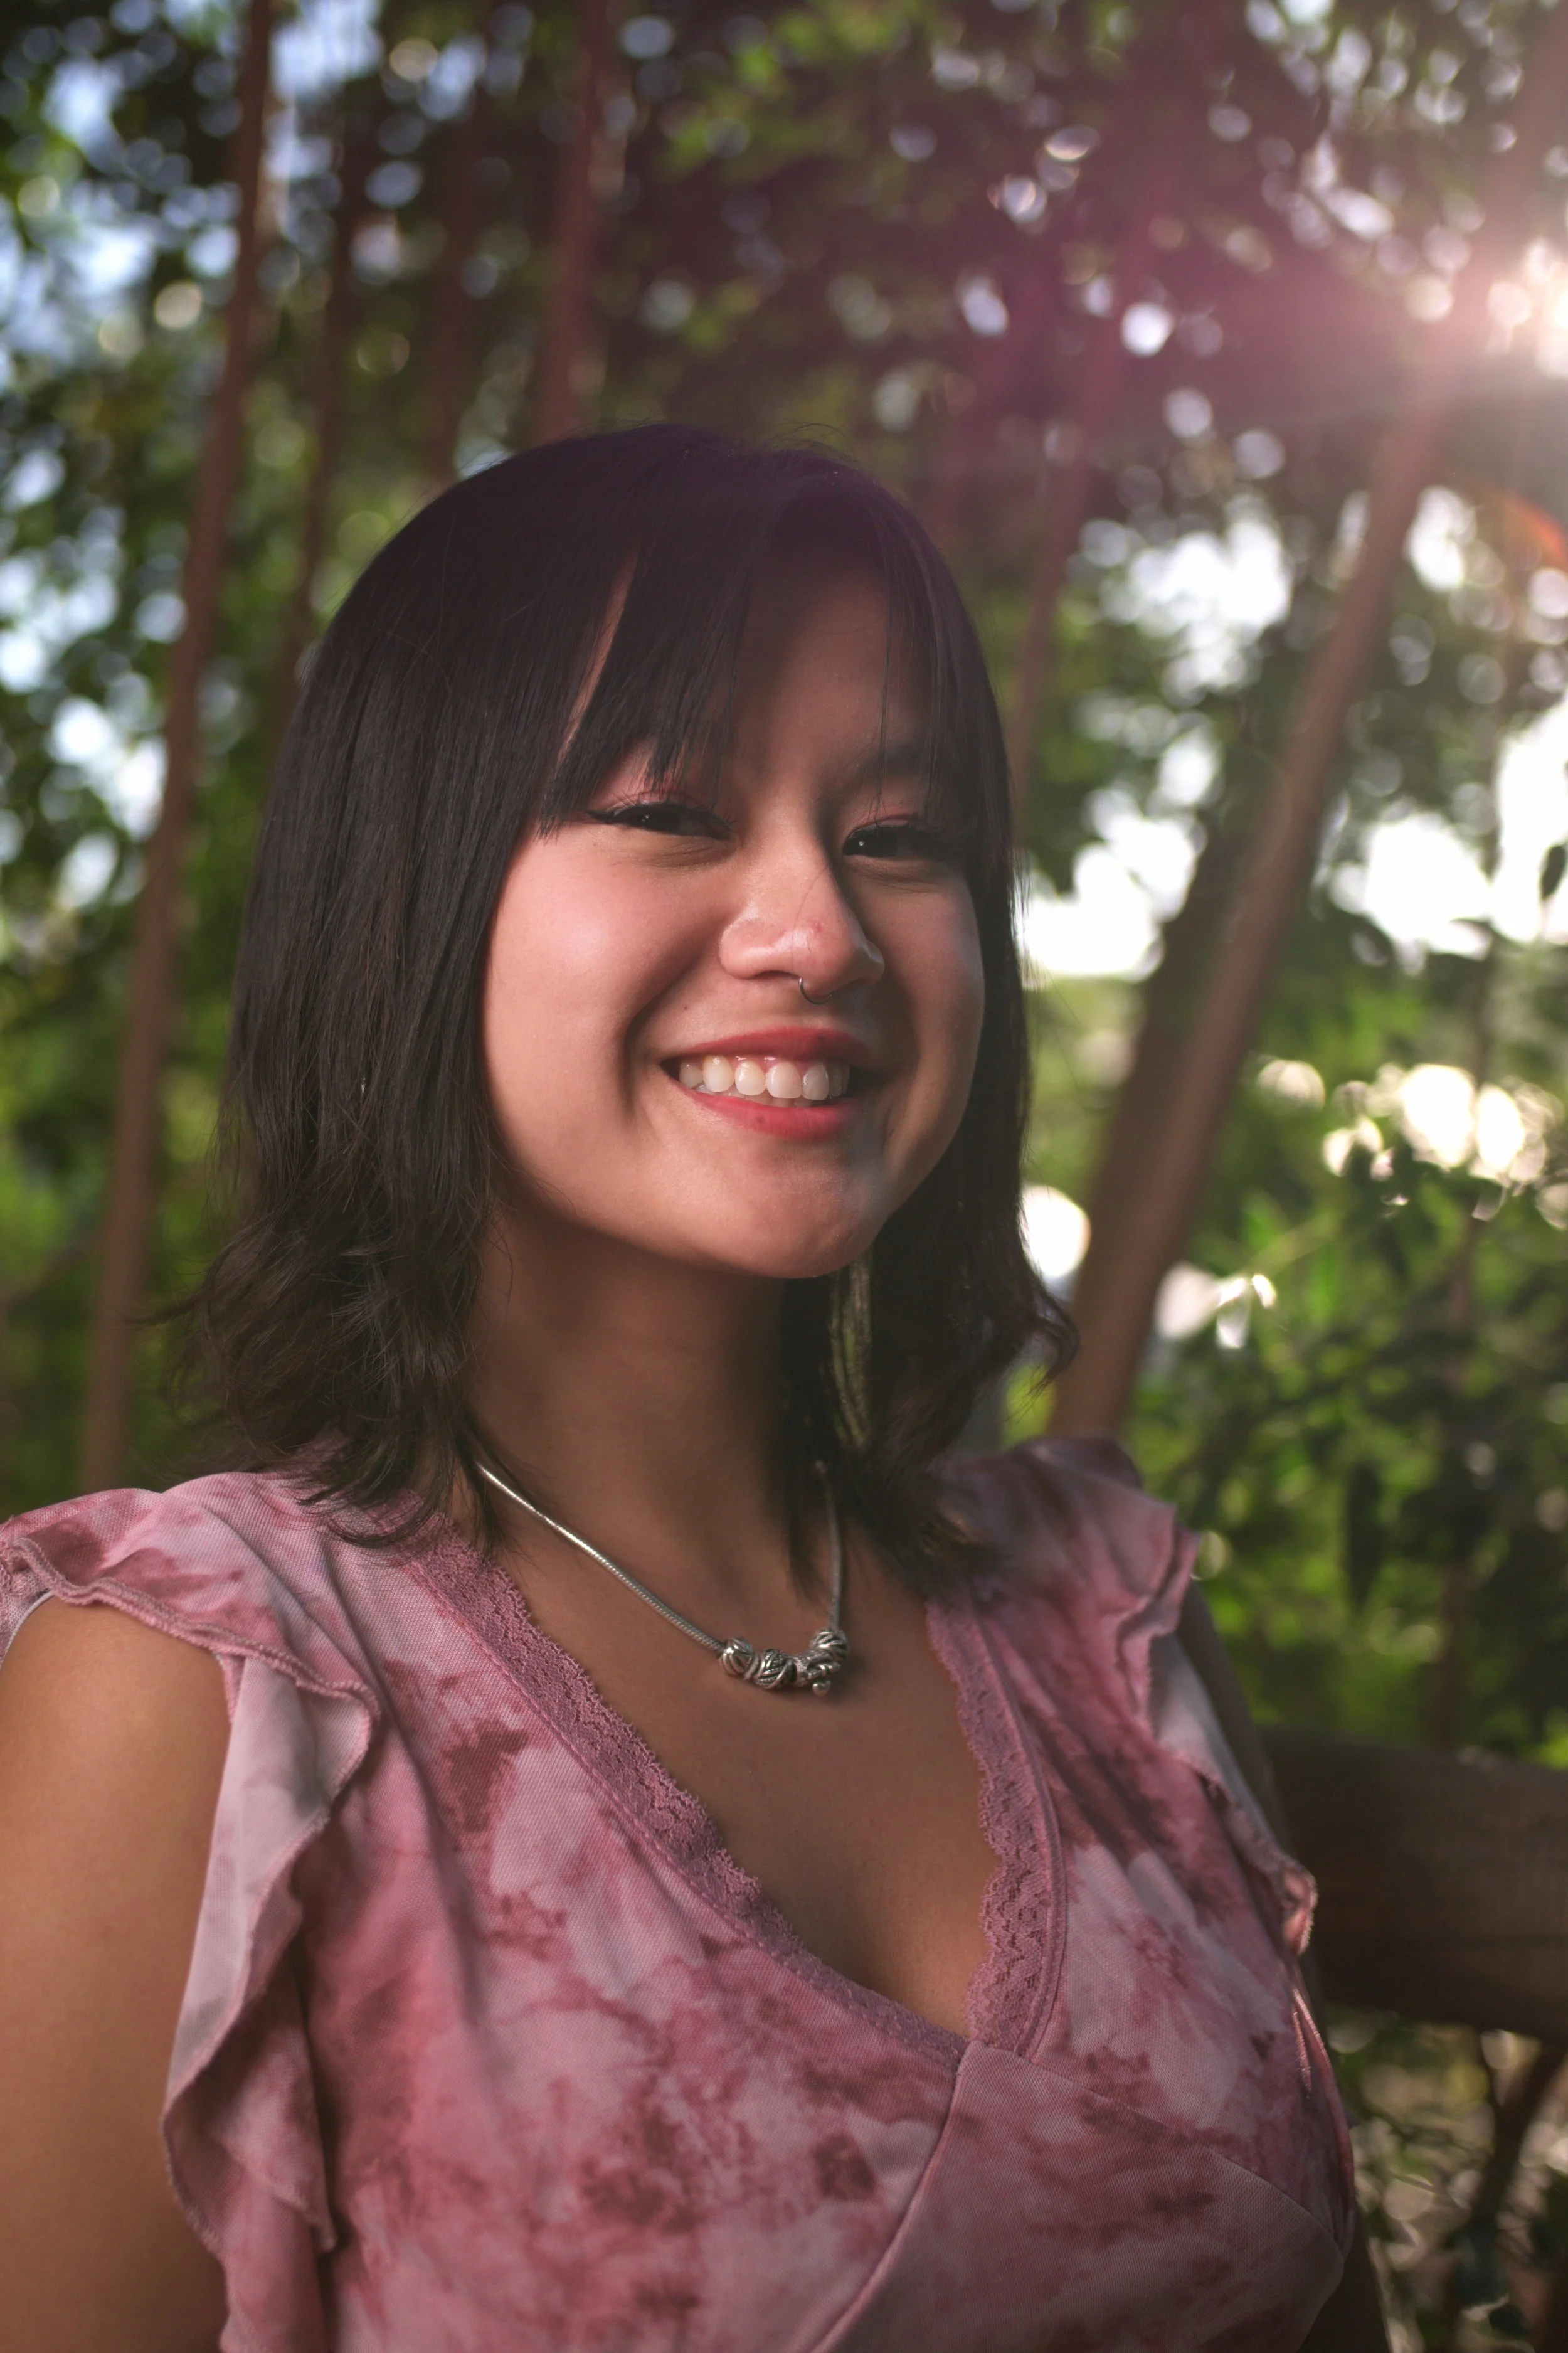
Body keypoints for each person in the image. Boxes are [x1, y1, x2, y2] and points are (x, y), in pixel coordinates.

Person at [0, 427, 1355, 2353]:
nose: (816, 929)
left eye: (896, 835)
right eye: (668, 806)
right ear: (414, 889)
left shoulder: (1106, 1613)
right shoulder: (195, 1699)